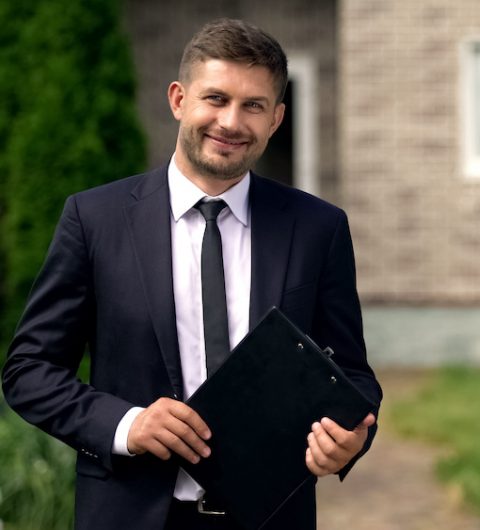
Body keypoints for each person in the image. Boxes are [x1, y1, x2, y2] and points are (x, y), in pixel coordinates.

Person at [2, 18, 382, 530]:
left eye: (254, 105)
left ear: (276, 119)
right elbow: (29, 370)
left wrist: (351, 438)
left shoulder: (318, 228)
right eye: (216, 98)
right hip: (131, 514)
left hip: (271, 517)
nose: (231, 122)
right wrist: (126, 423)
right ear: (179, 99)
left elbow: (353, 377)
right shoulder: (94, 219)